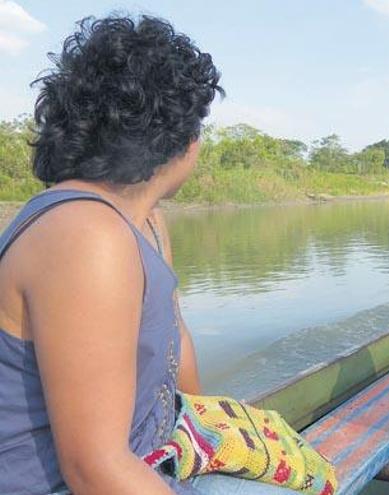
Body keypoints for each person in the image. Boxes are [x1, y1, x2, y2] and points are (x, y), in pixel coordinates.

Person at [0, 15, 299, 495]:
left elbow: (174, 343)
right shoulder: (86, 235)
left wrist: (219, 439)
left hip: (154, 461)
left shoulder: (144, 222)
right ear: (178, 139)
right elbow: (94, 470)